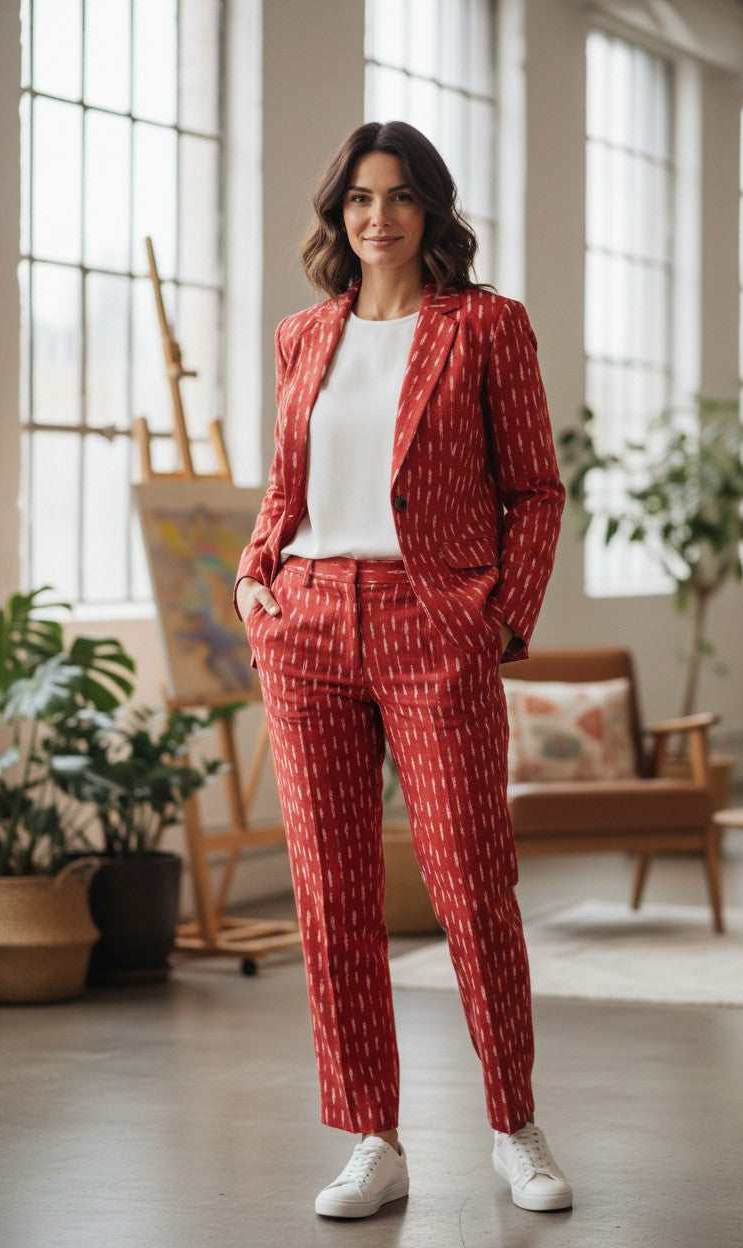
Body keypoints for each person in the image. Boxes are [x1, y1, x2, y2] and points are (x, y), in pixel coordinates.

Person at [233, 120, 570, 1220]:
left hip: (437, 622)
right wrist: (253, 577)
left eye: (398, 196)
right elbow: (288, 487)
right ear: (337, 214)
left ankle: (514, 1127)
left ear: (431, 209)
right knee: (331, 895)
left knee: (472, 881)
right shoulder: (301, 337)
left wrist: (496, 618)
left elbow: (535, 489)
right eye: (357, 200)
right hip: (309, 624)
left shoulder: (484, 327)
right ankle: (372, 1138)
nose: (376, 218)